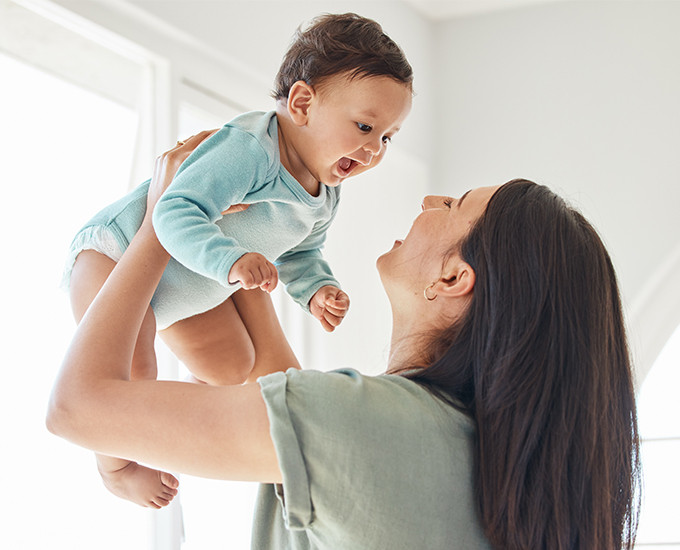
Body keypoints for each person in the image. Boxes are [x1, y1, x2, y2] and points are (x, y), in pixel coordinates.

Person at [48, 135, 641, 549]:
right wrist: (242, 239)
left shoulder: (363, 421)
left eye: (455, 205)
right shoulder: (475, 451)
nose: (433, 200)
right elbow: (277, 386)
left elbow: (78, 409)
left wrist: (160, 217)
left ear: (454, 279)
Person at [61, 13, 413, 507]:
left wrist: (315, 289)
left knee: (232, 366)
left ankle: (174, 419)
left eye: (387, 137)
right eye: (365, 127)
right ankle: (114, 467)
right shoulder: (250, 150)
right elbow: (175, 209)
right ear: (303, 103)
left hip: (187, 283)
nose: (374, 149)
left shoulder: (325, 194)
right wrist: (231, 262)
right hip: (115, 256)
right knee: (133, 378)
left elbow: (302, 251)